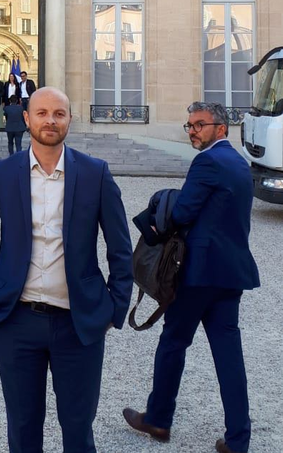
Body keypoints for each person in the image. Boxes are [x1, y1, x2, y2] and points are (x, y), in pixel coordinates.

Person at [0, 87, 133, 453]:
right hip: (17, 321)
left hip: (79, 323)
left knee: (77, 428)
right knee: (23, 429)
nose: (50, 120)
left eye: (59, 113)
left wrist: (115, 308)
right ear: (26, 119)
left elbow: (121, 248)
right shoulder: (2, 174)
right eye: (42, 113)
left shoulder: (95, 174)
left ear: (70, 119)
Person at [123, 102, 260, 453]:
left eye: (200, 124)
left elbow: (183, 212)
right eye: (189, 125)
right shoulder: (241, 165)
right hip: (231, 275)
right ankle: (238, 440)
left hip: (198, 276)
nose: (193, 130)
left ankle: (158, 419)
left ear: (222, 128)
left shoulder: (208, 161)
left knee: (173, 343)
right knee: (229, 355)